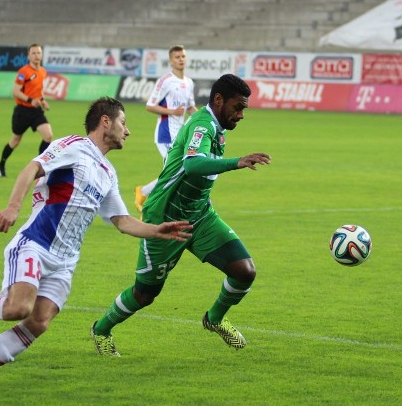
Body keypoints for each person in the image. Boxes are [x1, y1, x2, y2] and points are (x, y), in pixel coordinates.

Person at [0, 97, 192, 393]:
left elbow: (122, 220)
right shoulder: (75, 147)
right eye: (123, 123)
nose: (127, 131)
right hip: (35, 244)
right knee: (18, 308)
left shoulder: (108, 172)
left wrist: (157, 230)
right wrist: (13, 207)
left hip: (65, 262)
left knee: (38, 322)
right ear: (105, 121)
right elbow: (31, 168)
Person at [91, 74, 271, 356]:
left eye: (244, 108)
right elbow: (193, 165)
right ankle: (101, 329)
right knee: (145, 294)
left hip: (200, 216)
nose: (241, 114)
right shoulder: (202, 124)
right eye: (238, 107)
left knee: (244, 271)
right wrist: (237, 162)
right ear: (219, 100)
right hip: (164, 219)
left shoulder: (217, 127)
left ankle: (214, 319)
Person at [135, 45, 197, 214]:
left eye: (183, 56)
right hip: (165, 135)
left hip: (180, 135)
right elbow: (150, 106)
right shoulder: (165, 81)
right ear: (170, 61)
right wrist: (171, 111)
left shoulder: (189, 82)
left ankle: (144, 193)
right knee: (174, 171)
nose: (181, 59)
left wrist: (204, 121)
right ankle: (151, 205)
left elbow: (191, 107)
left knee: (178, 171)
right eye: (177, 57)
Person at [0, 43, 52, 177]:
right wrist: (30, 100)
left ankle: (39, 167)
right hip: (22, 111)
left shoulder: (43, 71)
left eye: (38, 53)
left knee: (48, 135)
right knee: (15, 141)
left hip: (36, 111)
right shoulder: (23, 72)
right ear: (28, 56)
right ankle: (1, 164)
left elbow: (39, 90)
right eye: (33, 53)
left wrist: (42, 100)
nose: (36, 55)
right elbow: (15, 91)